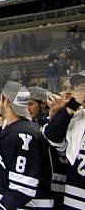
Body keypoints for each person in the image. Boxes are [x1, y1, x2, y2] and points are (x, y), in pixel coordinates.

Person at [0, 82, 54, 209]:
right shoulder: (17, 128)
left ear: (5, 99)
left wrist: (1, 207)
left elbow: (23, 187)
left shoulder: (22, 133)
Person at [43, 71, 84, 210]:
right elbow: (52, 136)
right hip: (71, 197)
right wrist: (69, 107)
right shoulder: (76, 117)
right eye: (77, 88)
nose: (71, 93)